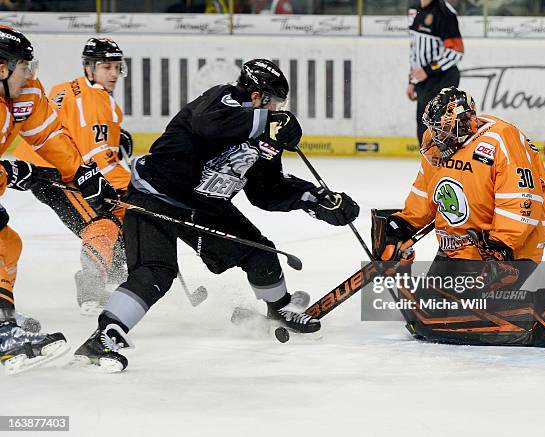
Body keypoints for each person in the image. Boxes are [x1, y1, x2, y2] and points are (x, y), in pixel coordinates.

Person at [73, 58, 360, 372]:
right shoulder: (224, 99)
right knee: (155, 272)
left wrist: (314, 199)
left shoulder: (264, 133)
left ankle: (279, 309)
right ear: (256, 96)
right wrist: (267, 122)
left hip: (204, 205)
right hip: (156, 194)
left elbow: (266, 191)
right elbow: (208, 125)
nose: (277, 109)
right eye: (274, 102)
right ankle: (103, 337)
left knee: (259, 251)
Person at [374, 87, 545, 347]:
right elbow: (424, 189)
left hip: (505, 252)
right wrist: (404, 224)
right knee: (425, 314)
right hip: (457, 250)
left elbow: (522, 200)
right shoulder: (438, 141)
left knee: (440, 321)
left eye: (443, 130)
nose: (436, 137)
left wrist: (501, 246)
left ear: (464, 123)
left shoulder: (502, 139)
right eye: (435, 128)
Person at [0, 26, 117, 373]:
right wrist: (11, 172)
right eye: (25, 67)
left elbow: (49, 133)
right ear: (2, 67)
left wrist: (80, 171)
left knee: (9, 246)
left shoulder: (23, 92)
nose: (31, 74)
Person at [14, 37, 131, 315]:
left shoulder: (68, 88)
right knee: (103, 220)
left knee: (117, 218)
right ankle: (91, 287)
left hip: (51, 166)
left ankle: (113, 276)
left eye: (117, 67)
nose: (113, 74)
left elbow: (72, 132)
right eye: (106, 67)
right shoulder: (96, 102)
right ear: (89, 68)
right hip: (54, 172)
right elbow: (96, 159)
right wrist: (128, 186)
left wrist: (117, 138)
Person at [406, 0, 464, 145]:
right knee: (423, 125)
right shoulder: (415, 9)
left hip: (443, 78)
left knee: (439, 126)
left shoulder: (444, 12)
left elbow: (456, 51)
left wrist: (428, 70)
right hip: (422, 80)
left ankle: (444, 165)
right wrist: (412, 81)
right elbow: (414, 50)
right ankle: (429, 165)